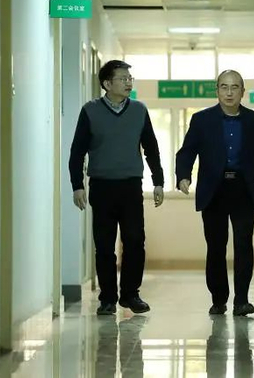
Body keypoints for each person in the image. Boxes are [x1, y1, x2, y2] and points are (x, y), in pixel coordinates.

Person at [175, 69, 254, 317]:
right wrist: (183, 175)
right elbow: (187, 151)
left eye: (234, 87)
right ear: (217, 90)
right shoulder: (202, 120)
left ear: (242, 92)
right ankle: (219, 299)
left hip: (244, 189)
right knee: (216, 247)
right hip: (214, 190)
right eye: (224, 87)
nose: (229, 92)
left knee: (244, 245)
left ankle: (241, 300)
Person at [69, 59, 164, 316]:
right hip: (101, 186)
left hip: (131, 185)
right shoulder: (90, 111)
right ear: (107, 84)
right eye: (123, 78)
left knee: (135, 240)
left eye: (129, 78)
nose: (128, 83)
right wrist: (77, 185)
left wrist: (158, 181)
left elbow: (151, 148)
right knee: (104, 245)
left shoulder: (139, 110)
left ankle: (131, 294)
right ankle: (108, 298)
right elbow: (77, 152)